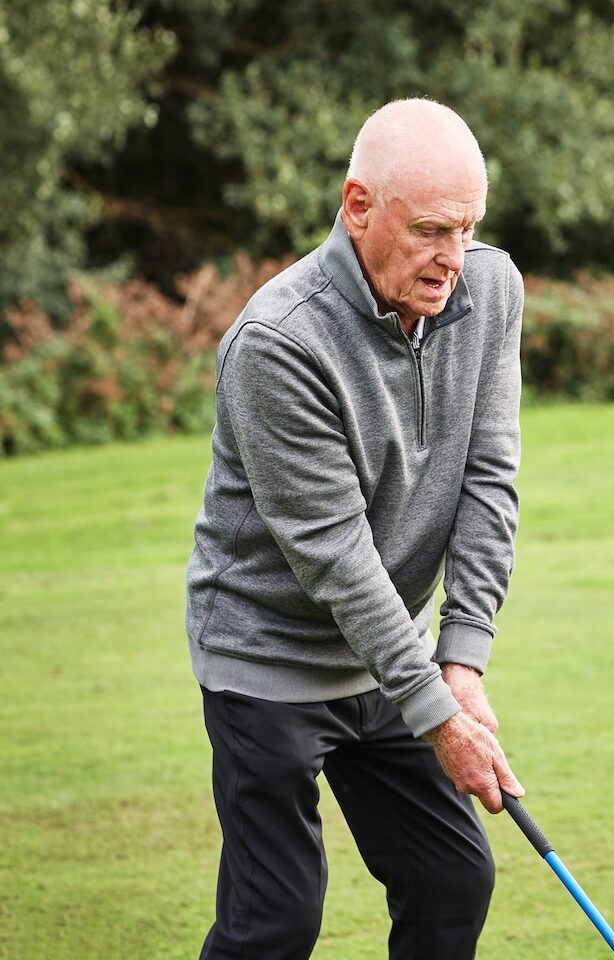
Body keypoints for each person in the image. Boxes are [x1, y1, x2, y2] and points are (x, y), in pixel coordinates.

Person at [185, 99, 527, 959]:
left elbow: (487, 479)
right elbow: (334, 554)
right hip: (265, 652)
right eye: (431, 231)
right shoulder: (276, 342)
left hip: (388, 650)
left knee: (452, 879)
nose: (454, 258)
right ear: (358, 204)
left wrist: (464, 656)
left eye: (469, 228)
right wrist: (440, 716)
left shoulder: (490, 288)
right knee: (277, 920)